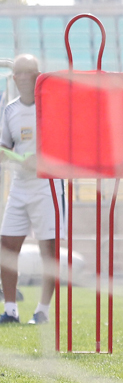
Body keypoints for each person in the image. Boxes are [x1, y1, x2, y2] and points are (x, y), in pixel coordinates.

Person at [0, 54, 64, 325]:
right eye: (19, 74)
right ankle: (11, 309)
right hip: (20, 186)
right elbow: (3, 149)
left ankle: (42, 311)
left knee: (49, 249)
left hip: (47, 186)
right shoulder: (10, 110)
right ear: (14, 79)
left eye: (30, 73)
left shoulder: (53, 106)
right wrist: (19, 159)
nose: (24, 78)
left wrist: (43, 159)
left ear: (39, 75)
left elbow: (64, 144)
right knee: (6, 246)